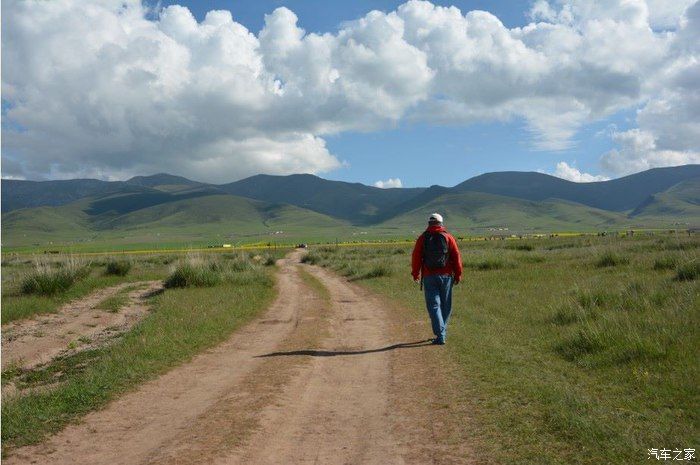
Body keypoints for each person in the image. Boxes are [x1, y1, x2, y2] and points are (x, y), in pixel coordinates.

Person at [411, 213, 463, 345]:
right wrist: (458, 274)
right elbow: (456, 256)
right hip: (446, 277)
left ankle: (440, 334)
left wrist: (415, 273)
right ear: (441, 223)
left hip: (429, 276)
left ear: (429, 223)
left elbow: (416, 257)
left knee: (434, 306)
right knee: (446, 306)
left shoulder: (422, 238)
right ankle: (441, 333)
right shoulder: (448, 237)